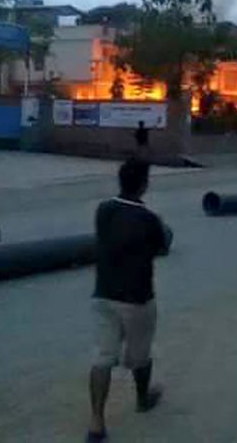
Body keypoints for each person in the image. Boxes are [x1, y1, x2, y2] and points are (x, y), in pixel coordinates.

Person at [88, 158, 167, 443]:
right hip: (137, 298)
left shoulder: (104, 210)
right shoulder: (148, 219)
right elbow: (163, 245)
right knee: (141, 355)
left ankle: (96, 422)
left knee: (102, 357)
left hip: (104, 293)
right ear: (144, 184)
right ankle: (142, 399)